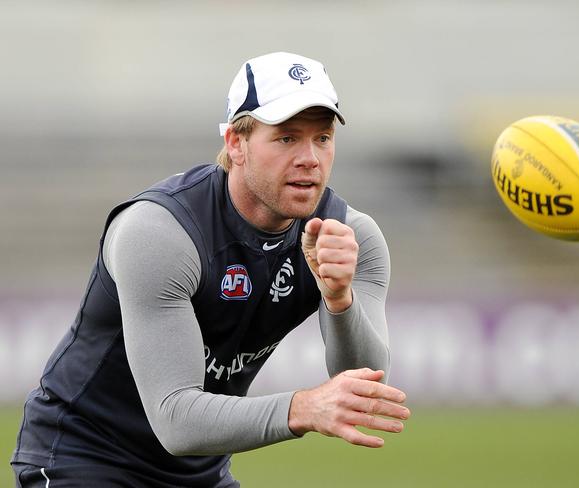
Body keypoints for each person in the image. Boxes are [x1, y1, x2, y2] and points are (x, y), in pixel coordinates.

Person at [11, 51, 410, 487]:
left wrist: (339, 299)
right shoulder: (161, 232)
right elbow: (176, 419)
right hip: (83, 457)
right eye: (286, 138)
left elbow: (367, 389)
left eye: (323, 138)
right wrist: (304, 408)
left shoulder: (351, 238)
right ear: (235, 143)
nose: (310, 158)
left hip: (200, 472)